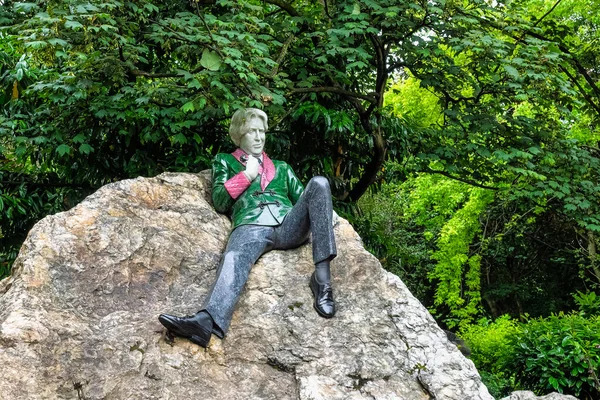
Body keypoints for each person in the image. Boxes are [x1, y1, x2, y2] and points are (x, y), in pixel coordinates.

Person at [158, 108, 337, 348]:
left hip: (288, 225)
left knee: (320, 183)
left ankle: (323, 283)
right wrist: (246, 175)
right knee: (233, 257)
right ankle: (205, 322)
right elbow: (220, 201)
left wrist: (325, 212)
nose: (258, 137)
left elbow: (306, 198)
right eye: (252, 131)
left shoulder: (282, 167)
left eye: (261, 131)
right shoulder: (225, 161)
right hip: (251, 225)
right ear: (239, 135)